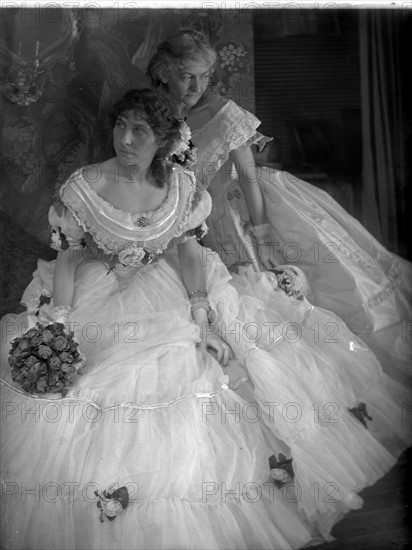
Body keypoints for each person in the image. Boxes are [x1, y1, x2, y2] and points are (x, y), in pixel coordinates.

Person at [0, 88, 408, 547]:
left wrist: (202, 314)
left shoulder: (181, 187)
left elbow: (189, 254)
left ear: (163, 138)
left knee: (201, 377)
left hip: (166, 290)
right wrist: (58, 322)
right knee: (82, 392)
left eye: (140, 130)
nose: (126, 139)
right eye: (120, 126)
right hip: (99, 290)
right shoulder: (84, 185)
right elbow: (69, 262)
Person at [146, 30, 411, 383]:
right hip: (180, 221)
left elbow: (249, 176)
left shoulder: (224, 114)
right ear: (164, 72)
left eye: (205, 76)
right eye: (186, 77)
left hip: (230, 210)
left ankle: (293, 374)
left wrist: (262, 233)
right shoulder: (150, 112)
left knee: (260, 299)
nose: (197, 87)